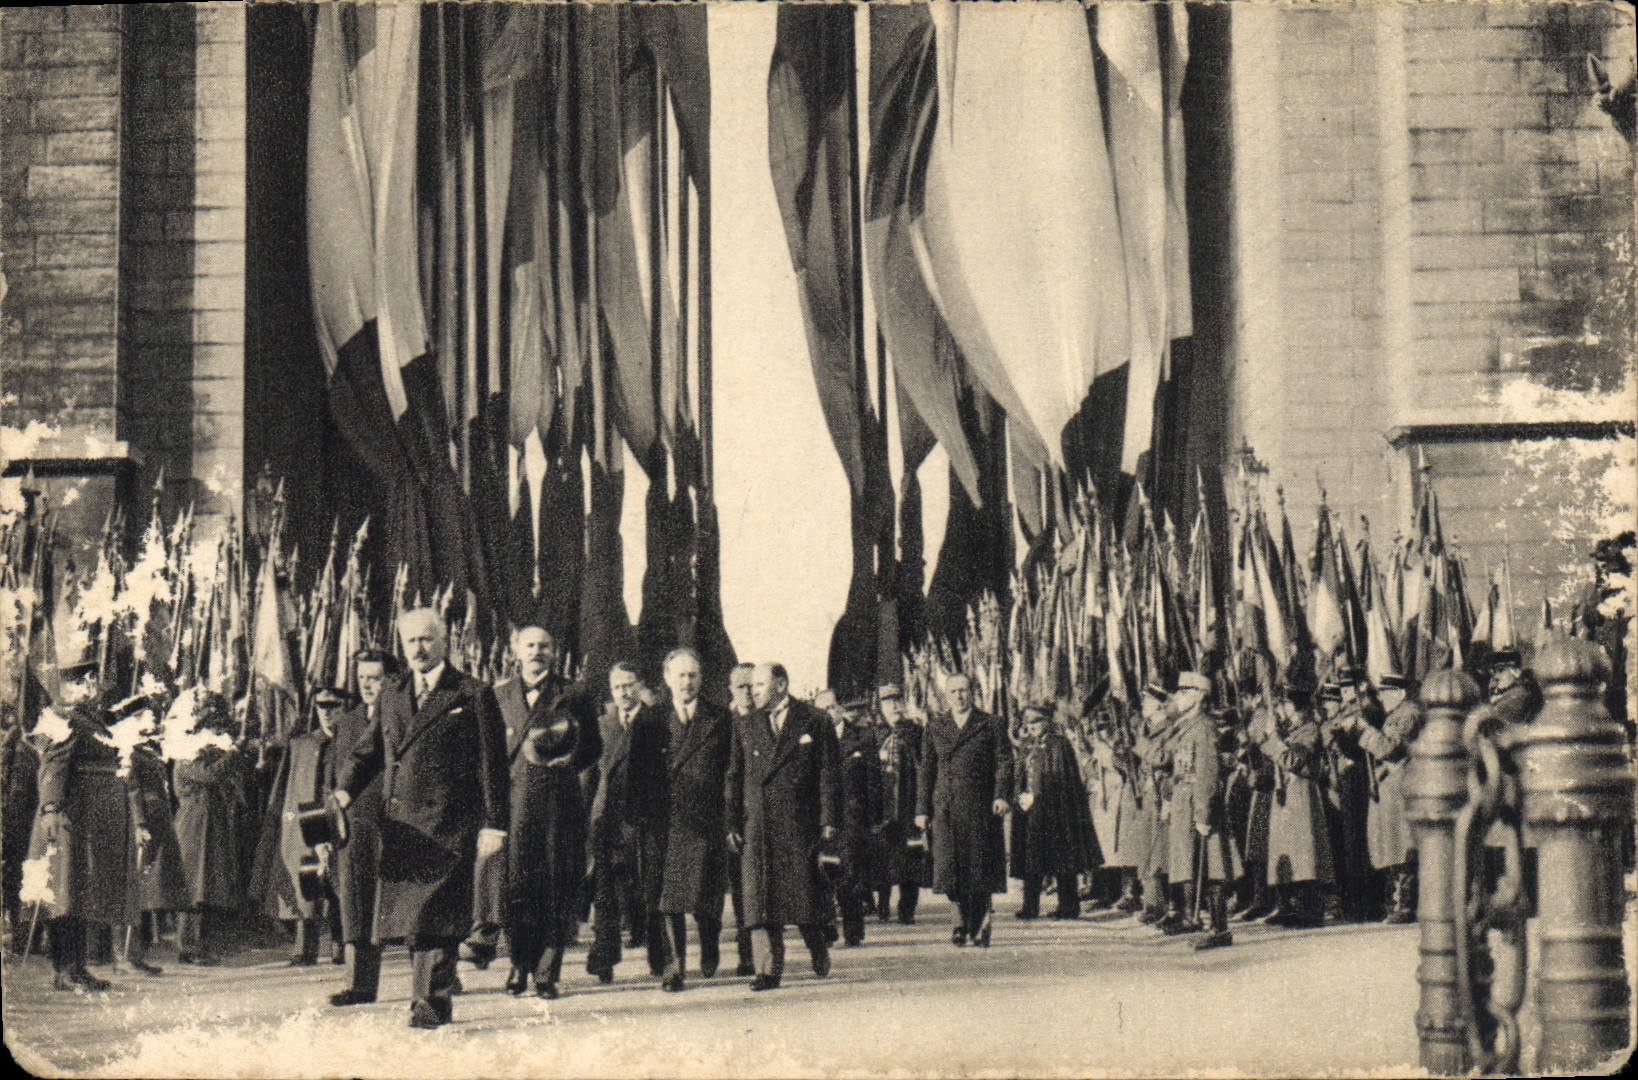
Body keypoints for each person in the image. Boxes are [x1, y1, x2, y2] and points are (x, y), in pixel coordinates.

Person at [332, 608, 509, 1029]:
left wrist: (494, 823)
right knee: (416, 919)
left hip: (450, 822)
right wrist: (343, 790)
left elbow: (492, 765)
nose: (418, 648)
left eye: (426, 639)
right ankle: (424, 996)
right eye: (410, 641)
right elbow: (368, 751)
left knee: (438, 916)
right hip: (404, 827)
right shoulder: (393, 692)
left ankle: (431, 1001)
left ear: (444, 642)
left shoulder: (471, 693)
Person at [494, 625, 600, 999]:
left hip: (559, 804)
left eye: (544, 646)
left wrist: (572, 759)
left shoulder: (574, 694)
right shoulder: (499, 695)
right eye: (530, 646)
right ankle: (518, 964)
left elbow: (594, 748)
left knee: (557, 886)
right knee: (518, 888)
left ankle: (546, 972)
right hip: (516, 805)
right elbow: (491, 757)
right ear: (516, 651)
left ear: (554, 652)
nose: (537, 652)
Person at [724, 662, 838, 990]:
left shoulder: (815, 721)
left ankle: (817, 947)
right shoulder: (745, 725)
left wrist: (828, 821)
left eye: (759, 685)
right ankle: (767, 970)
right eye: (749, 686)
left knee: (803, 898)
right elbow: (734, 776)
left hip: (798, 825)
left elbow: (828, 776)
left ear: (781, 685)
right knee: (759, 900)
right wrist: (731, 822)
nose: (752, 691)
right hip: (757, 825)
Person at [28, 658, 135, 992]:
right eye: (87, 682)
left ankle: (77, 967)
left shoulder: (92, 721)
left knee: (79, 895)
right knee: (65, 897)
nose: (94, 688)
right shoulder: (65, 719)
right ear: (72, 686)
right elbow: (52, 767)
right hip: (69, 820)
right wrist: (50, 808)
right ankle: (66, 970)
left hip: (90, 822)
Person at [646, 647, 735, 992]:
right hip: (667, 821)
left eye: (693, 675)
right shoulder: (652, 719)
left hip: (707, 818)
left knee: (706, 896)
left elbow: (730, 770)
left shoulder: (720, 718)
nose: (686, 681)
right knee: (670, 899)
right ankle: (674, 967)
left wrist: (728, 818)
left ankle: (709, 944)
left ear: (701, 679)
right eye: (680, 675)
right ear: (667, 679)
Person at [916, 672, 1012, 948]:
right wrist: (922, 809)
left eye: (964, 690)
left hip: (981, 808)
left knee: (979, 868)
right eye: (954, 691)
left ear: (973, 692)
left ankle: (981, 924)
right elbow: (927, 770)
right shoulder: (935, 727)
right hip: (946, 807)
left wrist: (1002, 795)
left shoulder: (990, 724)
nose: (960, 696)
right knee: (950, 869)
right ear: (947, 695)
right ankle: (958, 922)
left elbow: (1004, 762)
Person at [255, 689, 346, 966]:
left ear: (344, 708)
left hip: (339, 814)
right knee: (306, 878)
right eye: (322, 706)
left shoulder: (353, 741)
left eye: (333, 706)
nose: (327, 712)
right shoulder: (302, 744)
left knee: (340, 879)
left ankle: (341, 944)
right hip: (308, 815)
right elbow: (286, 786)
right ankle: (304, 948)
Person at [325, 649, 395, 1006]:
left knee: (408, 901)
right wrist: (327, 828)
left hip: (396, 822)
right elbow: (335, 777)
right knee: (356, 902)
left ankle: (439, 975)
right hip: (353, 826)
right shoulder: (348, 722)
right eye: (362, 678)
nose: (368, 685)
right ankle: (359, 984)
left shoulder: (404, 716)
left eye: (376, 677)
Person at [587, 660, 662, 984]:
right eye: (618, 687)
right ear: (611, 690)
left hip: (645, 818)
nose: (624, 692)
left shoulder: (656, 721)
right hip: (608, 818)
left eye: (630, 685)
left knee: (649, 889)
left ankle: (660, 958)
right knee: (605, 893)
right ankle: (605, 956)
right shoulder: (602, 724)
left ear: (640, 686)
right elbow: (589, 771)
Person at [1248, 677, 1335, 929]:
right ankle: (1287, 905)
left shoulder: (1308, 729)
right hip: (1284, 797)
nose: (1280, 709)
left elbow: (1292, 761)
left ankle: (1310, 909)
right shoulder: (1287, 730)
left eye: (1284, 704)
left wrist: (1272, 742)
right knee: (1283, 850)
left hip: (1300, 797)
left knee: (1303, 853)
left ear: (1295, 706)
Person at [1164, 673, 1241, 950]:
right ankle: (1204, 922)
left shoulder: (1204, 728)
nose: (1178, 697)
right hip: (1187, 803)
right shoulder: (1187, 726)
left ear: (1198, 695)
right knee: (1197, 865)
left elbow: (1208, 773)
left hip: (1200, 804)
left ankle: (1219, 928)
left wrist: (1204, 814)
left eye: (1184, 692)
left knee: (1212, 866)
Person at [173, 692, 246, 966]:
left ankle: (200, 944)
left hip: (209, 824)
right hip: (193, 825)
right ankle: (187, 946)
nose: (217, 734)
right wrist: (234, 752)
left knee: (207, 887)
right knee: (193, 887)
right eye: (212, 729)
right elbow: (210, 775)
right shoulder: (187, 755)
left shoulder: (206, 753)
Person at [1010, 702, 1099, 921]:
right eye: (1028, 722)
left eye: (1037, 721)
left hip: (1055, 811)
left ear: (1047, 722)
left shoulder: (1059, 744)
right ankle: (1030, 906)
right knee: (1031, 859)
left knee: (1061, 858)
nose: (1032, 726)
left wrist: (1042, 797)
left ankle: (1068, 906)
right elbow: (1020, 774)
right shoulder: (1026, 745)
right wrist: (1019, 795)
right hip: (1029, 810)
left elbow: (1063, 779)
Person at [121, 709, 189, 976]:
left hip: (158, 821)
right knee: (135, 887)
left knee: (148, 888)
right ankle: (127, 955)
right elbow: (132, 788)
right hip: (145, 824)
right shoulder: (130, 752)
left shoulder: (149, 750)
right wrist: (138, 824)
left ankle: (136, 953)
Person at [1353, 672, 1422, 923]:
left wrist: (1367, 732)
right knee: (1394, 845)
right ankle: (1398, 902)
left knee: (1405, 846)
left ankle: (1406, 904)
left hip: (1405, 785)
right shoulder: (1395, 715)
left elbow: (1390, 749)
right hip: (1393, 787)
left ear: (1400, 693)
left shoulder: (1409, 714)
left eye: (1385, 692)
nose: (1380, 698)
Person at [872, 684, 928, 925]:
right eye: (887, 702)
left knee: (910, 858)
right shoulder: (875, 734)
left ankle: (907, 910)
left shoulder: (915, 732)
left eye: (897, 700)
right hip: (883, 807)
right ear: (880, 707)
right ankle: (882, 906)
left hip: (908, 805)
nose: (893, 706)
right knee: (882, 856)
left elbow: (924, 768)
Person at [831, 696, 883, 945]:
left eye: (833, 706)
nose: (829, 712)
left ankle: (853, 929)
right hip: (820, 817)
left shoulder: (861, 737)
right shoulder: (809, 737)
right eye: (824, 708)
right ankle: (827, 927)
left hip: (851, 817)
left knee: (849, 873)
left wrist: (874, 816)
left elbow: (873, 780)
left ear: (841, 709)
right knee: (824, 875)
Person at [723, 661, 758, 976]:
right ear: (731, 690)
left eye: (752, 686)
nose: (748, 692)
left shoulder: (767, 720)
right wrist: (729, 823)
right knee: (740, 889)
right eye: (741, 687)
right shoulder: (723, 723)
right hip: (734, 817)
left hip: (765, 819)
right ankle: (747, 955)